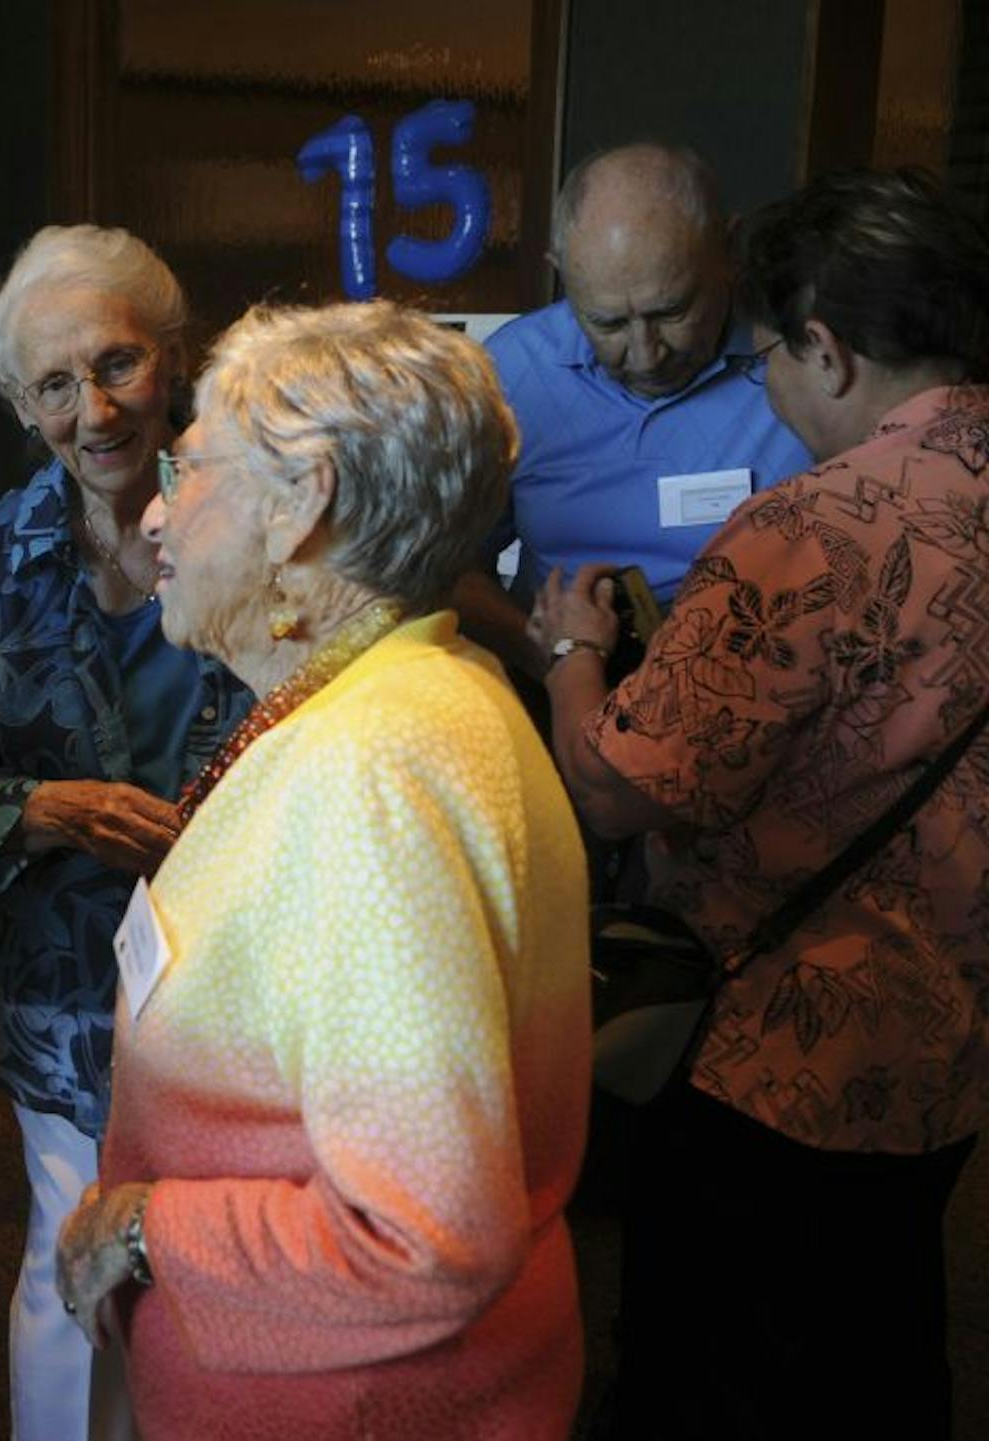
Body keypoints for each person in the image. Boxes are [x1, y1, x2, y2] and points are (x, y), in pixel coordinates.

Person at [56, 299, 591, 1440]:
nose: (155, 514)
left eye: (189, 468)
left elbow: (424, 1238)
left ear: (303, 504)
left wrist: (144, 1228)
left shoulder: (371, 770)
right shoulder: (422, 689)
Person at [530, 168, 989, 1441]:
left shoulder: (808, 532)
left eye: (774, 350)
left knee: (716, 1358)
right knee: (892, 1334)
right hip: (954, 1042)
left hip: (777, 1048)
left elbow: (617, 789)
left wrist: (576, 652)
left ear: (827, 352)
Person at [0, 223, 252, 1441]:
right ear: (18, 401)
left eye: (118, 365)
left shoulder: (253, 517)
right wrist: (40, 809)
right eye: (55, 384)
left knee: (218, 1256)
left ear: (174, 358)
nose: (94, 409)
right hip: (58, 974)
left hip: (237, 973)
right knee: (70, 1253)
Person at [456, 142, 811, 677]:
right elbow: (452, 568)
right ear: (561, 275)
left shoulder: (800, 366)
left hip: (756, 694)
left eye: (671, 312)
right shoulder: (508, 372)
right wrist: (549, 656)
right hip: (558, 682)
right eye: (607, 324)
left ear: (730, 251)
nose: (646, 354)